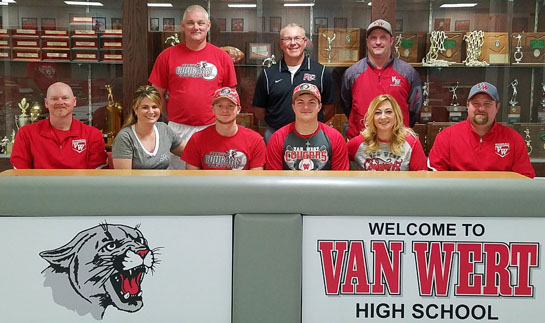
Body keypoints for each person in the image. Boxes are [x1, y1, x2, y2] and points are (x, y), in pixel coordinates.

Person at [148, 4, 237, 169]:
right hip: (177, 130)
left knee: (212, 179)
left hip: (213, 128)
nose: (196, 27)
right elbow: (155, 96)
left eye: (200, 23)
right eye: (190, 23)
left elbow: (230, 97)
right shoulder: (166, 56)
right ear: (182, 26)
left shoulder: (222, 57)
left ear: (208, 26)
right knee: (179, 182)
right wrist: (172, 116)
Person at [428, 81, 535, 178]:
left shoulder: (514, 139)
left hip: (499, 198)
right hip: (459, 197)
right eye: (476, 104)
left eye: (487, 104)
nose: (481, 109)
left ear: (497, 107)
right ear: (467, 106)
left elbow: (525, 179)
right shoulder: (446, 137)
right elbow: (435, 177)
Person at [253, 23, 335, 143]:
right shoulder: (267, 75)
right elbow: (260, 111)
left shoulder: (322, 72)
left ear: (305, 42)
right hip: (275, 136)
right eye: (287, 39)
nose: (293, 43)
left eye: (297, 38)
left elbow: (329, 108)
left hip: (312, 138)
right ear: (281, 44)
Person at [341, 19, 422, 139]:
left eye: (383, 37)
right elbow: (347, 106)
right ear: (367, 41)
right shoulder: (352, 73)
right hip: (362, 144)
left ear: (391, 41)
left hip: (397, 144)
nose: (378, 42)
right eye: (373, 38)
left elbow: (414, 110)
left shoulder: (408, 73)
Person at [10, 82, 107, 169]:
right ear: (46, 103)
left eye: (65, 98)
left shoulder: (93, 135)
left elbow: (95, 179)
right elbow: (21, 177)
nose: (60, 102)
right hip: (39, 189)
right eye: (54, 99)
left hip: (79, 189)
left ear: (74, 102)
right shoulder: (26, 133)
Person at [266, 83, 348, 170]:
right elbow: (273, 180)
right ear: (293, 107)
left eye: (311, 103)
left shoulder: (335, 138)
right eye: (300, 103)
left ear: (319, 107)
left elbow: (340, 179)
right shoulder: (278, 138)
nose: (305, 107)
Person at [182, 87, 266, 170]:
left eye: (230, 106)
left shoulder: (256, 141)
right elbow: (191, 179)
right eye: (220, 106)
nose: (225, 110)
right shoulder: (196, 139)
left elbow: (256, 180)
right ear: (213, 109)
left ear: (238, 109)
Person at [112, 85, 185, 169]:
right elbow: (124, 179)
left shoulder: (164, 129)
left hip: (165, 181)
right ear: (135, 109)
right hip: (137, 182)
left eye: (154, 107)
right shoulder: (125, 137)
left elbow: (190, 152)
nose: (151, 112)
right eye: (145, 107)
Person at [347, 94, 427, 171]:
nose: (383, 117)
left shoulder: (412, 142)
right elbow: (339, 156)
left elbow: (422, 180)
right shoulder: (359, 142)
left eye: (388, 112)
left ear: (396, 115)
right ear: (372, 117)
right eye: (377, 113)